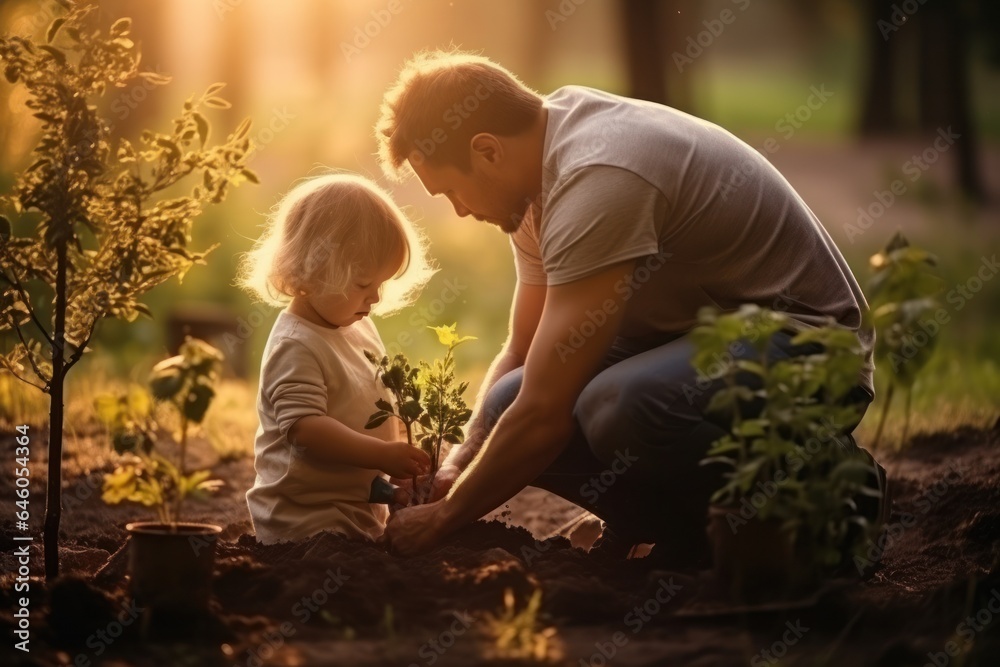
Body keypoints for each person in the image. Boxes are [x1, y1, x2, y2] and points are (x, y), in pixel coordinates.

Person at [376, 51, 886, 561]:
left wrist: (442, 519)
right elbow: (524, 349)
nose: (460, 210)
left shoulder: (599, 176)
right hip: (696, 341)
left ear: (486, 151)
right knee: (505, 402)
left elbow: (545, 415)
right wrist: (458, 464)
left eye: (450, 193)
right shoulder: (535, 176)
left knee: (620, 406)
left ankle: (827, 507)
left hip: (809, 350)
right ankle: (685, 535)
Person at [238, 173, 435, 544]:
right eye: (363, 285)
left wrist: (390, 485)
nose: (375, 299)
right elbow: (307, 431)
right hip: (303, 522)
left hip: (353, 509)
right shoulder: (296, 344)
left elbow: (369, 409)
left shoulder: (357, 327)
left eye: (381, 284)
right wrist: (382, 453)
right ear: (311, 270)